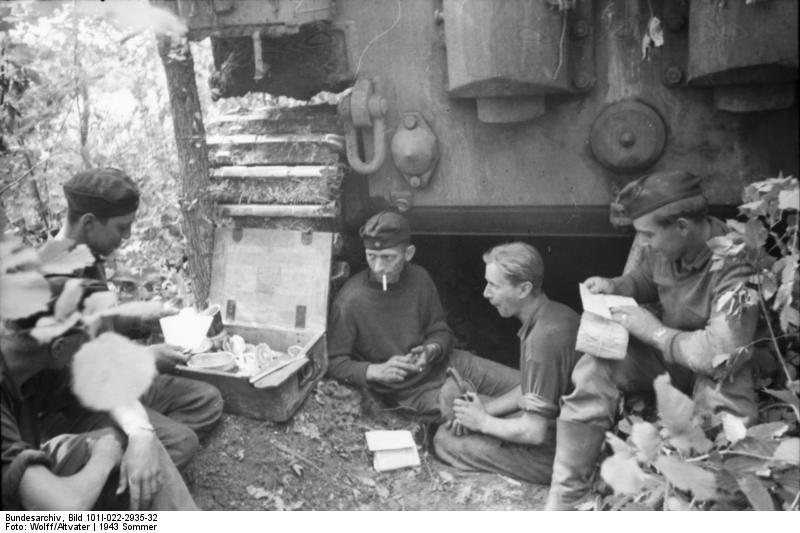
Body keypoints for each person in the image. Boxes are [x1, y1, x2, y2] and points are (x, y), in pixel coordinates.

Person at [545, 170, 760, 510]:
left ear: (682, 227)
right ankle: (566, 493)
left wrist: (654, 332)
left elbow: (722, 353)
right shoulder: (663, 247)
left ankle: (713, 504)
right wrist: (618, 286)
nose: (643, 243)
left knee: (727, 429)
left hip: (716, 372)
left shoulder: (735, 262)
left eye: (648, 235)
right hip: (672, 358)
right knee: (596, 365)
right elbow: (647, 278)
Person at [48, 167, 223, 469]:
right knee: (182, 443)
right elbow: (70, 373)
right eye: (121, 227)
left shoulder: (87, 257)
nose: (127, 236)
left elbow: (101, 323)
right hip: (80, 406)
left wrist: (144, 319)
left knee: (207, 400)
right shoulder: (54, 281)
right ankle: (125, 459)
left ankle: (143, 442)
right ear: (89, 222)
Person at [1, 277, 198, 511]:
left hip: (27, 471)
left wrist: (141, 434)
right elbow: (66, 507)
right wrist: (104, 457)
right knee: (112, 447)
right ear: (59, 347)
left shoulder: (35, 364)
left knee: (139, 443)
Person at [327, 211, 520, 424]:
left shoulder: (419, 278)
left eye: (388, 257)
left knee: (526, 388)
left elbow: (440, 331)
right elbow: (334, 361)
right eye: (371, 256)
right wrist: (374, 371)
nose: (378, 267)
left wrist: (431, 350)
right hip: (411, 393)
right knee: (509, 414)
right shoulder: (351, 300)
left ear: (408, 253)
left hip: (449, 364)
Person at [432, 242, 582, 484]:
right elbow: (531, 387)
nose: (485, 293)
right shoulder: (556, 313)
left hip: (565, 453)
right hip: (570, 424)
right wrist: (485, 411)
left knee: (445, 440)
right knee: (474, 411)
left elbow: (534, 432)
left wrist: (482, 422)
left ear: (523, 289)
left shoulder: (542, 341)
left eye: (494, 285)